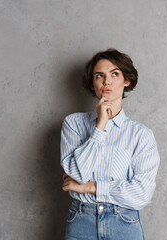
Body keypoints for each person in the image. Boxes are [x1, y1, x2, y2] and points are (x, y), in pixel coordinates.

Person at [60, 48, 160, 240]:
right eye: (99, 76)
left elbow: (141, 194)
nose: (107, 81)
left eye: (115, 74)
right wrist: (100, 126)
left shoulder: (141, 135)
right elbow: (76, 174)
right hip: (82, 222)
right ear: (92, 83)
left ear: (127, 80)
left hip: (124, 223)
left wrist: (91, 187)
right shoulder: (73, 124)